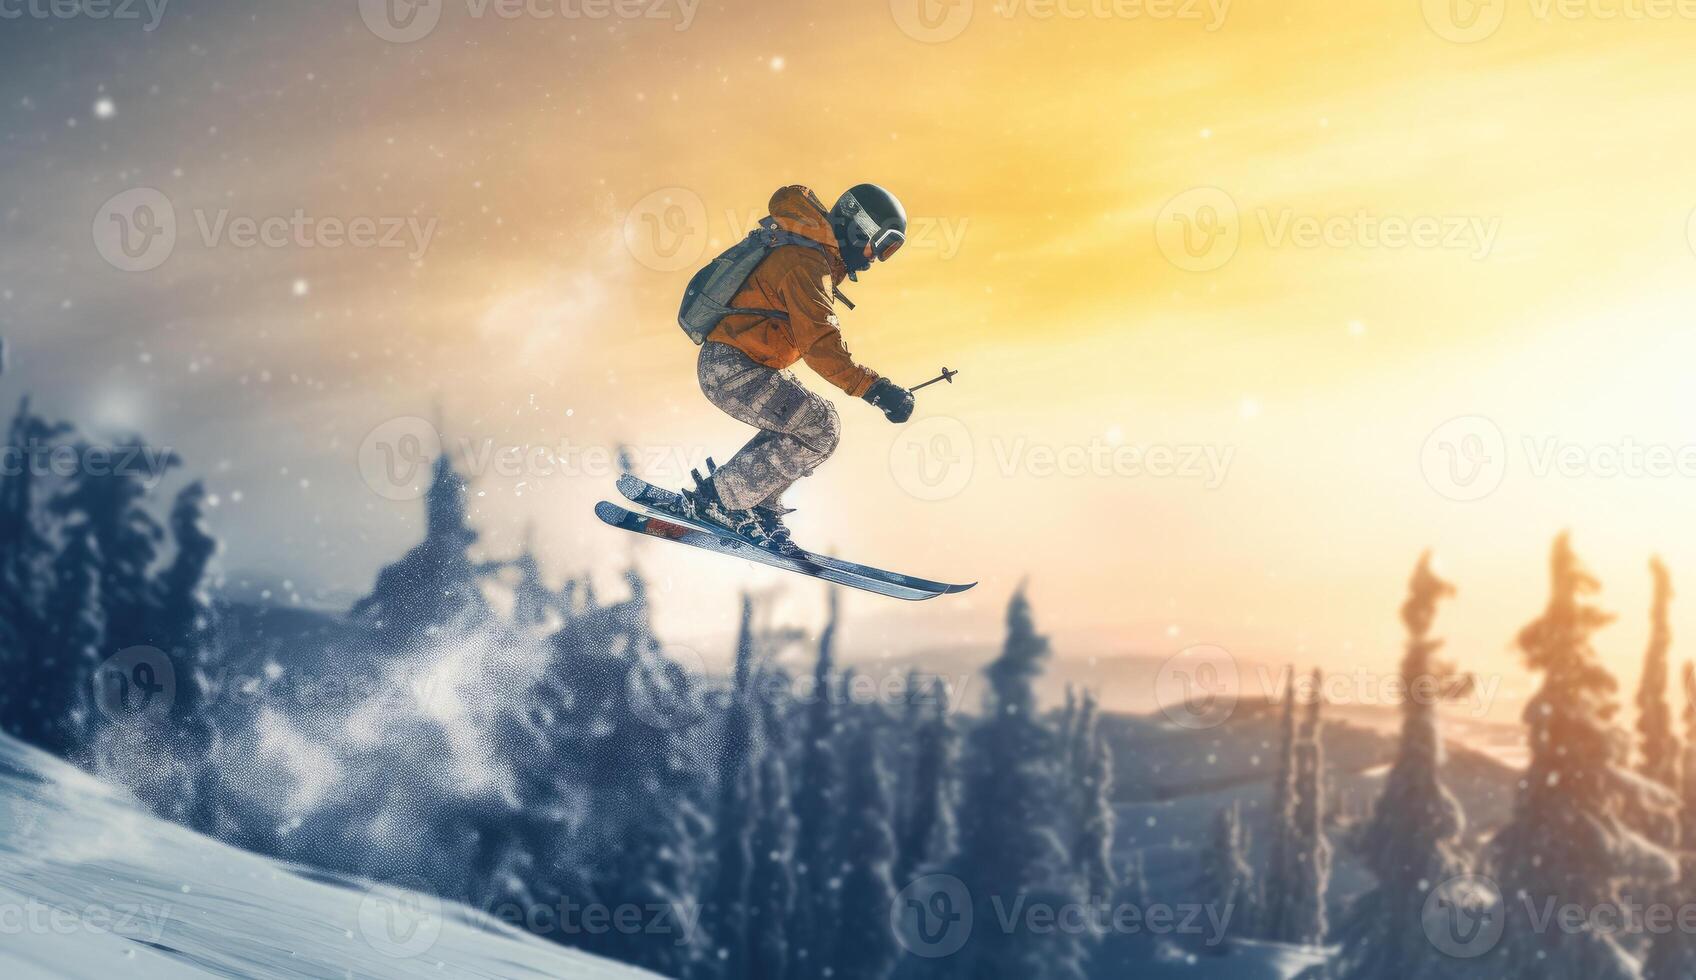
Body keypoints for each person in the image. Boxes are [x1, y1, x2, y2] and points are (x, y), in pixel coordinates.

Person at [681, 183, 914, 555]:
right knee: (820, 427)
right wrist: (876, 389)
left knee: (809, 426)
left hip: (738, 363)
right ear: (858, 228)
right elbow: (820, 344)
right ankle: (720, 500)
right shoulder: (805, 262)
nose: (876, 257)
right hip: (730, 366)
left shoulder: (809, 255)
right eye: (881, 244)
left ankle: (755, 503)